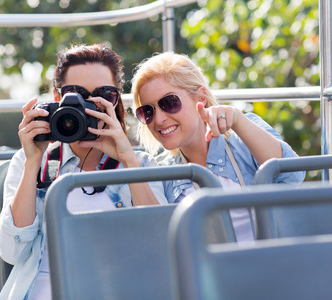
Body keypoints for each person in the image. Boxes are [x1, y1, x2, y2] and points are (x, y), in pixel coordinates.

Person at [0, 44, 166, 300]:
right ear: (56, 97)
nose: (86, 106)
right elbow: (10, 251)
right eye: (75, 93)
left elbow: (162, 246)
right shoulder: (32, 161)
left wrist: (128, 160)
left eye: (102, 94)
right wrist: (33, 162)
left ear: (115, 100)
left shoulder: (139, 164)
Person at [131, 51, 305, 242]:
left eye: (169, 102)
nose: (159, 119)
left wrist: (237, 118)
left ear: (200, 97)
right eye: (147, 111)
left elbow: (292, 174)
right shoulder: (163, 172)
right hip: (209, 271)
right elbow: (156, 240)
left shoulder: (243, 134)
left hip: (271, 265)